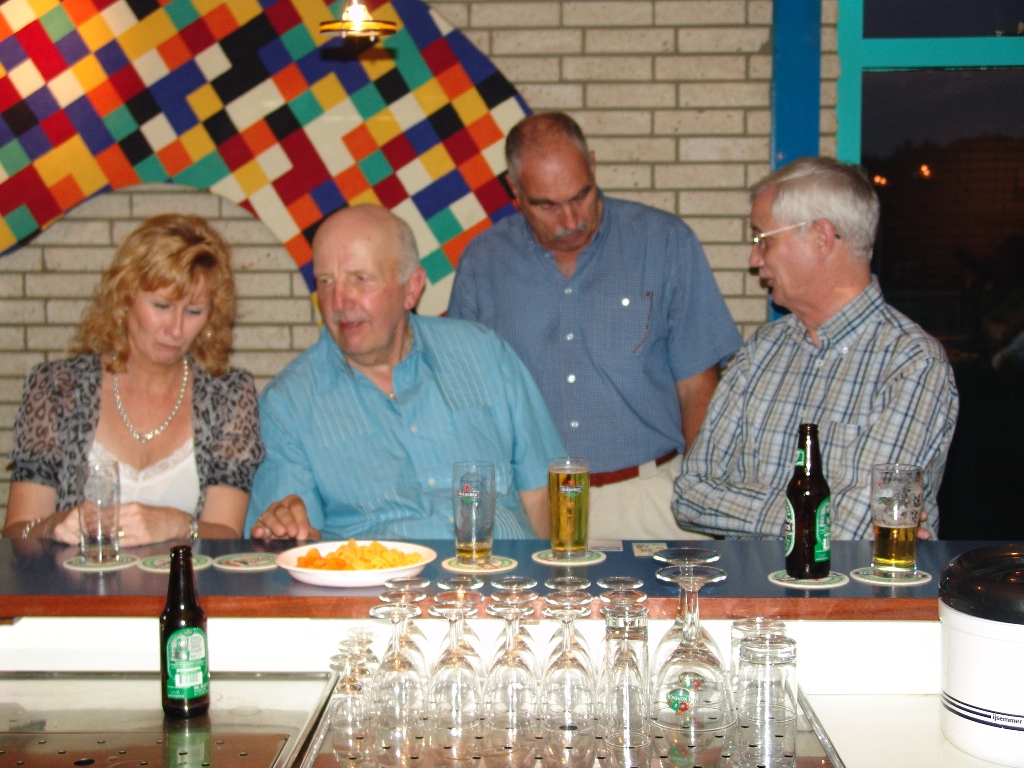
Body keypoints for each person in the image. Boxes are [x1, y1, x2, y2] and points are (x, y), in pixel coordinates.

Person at [447, 112, 742, 540]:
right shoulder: (484, 262)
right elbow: (465, 396)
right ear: (515, 191)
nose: (571, 220)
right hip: (531, 505)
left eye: (581, 195)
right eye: (547, 205)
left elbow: (699, 387)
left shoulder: (664, 242)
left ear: (593, 165)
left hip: (650, 499)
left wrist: (698, 491)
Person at [673, 157, 959, 539]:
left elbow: (856, 528)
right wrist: (816, 511)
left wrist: (749, 506)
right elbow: (689, 496)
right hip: (749, 580)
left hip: (848, 583)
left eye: (763, 240)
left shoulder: (912, 363)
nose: (754, 260)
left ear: (822, 239)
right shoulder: (762, 351)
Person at [246, 204, 563, 541]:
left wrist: (556, 569)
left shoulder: (484, 354)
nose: (338, 302)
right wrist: (284, 527)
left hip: (504, 570)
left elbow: (545, 495)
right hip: (379, 574)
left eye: (360, 279)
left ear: (412, 288)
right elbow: (295, 541)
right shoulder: (288, 404)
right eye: (325, 282)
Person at [4, 214, 265, 544]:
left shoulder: (228, 394)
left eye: (194, 312)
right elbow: (16, 532)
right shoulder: (58, 387)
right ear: (125, 298)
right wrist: (52, 527)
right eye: (162, 306)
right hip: (71, 578)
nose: (175, 328)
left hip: (183, 578)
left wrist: (177, 524)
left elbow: (226, 534)